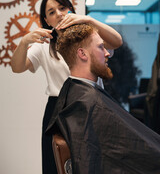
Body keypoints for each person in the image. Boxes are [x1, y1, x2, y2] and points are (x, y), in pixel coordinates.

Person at [10, 0, 123, 174]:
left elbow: (117, 41)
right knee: (56, 163)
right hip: (58, 110)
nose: (59, 14)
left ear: (71, 9)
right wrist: (24, 42)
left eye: (62, 8)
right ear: (47, 20)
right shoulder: (43, 46)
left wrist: (89, 20)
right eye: (52, 12)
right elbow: (17, 67)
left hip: (91, 105)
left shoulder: (89, 36)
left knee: (94, 161)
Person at [46, 23, 160, 174]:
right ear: (83, 54)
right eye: (101, 47)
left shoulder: (75, 92)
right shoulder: (87, 102)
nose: (107, 53)